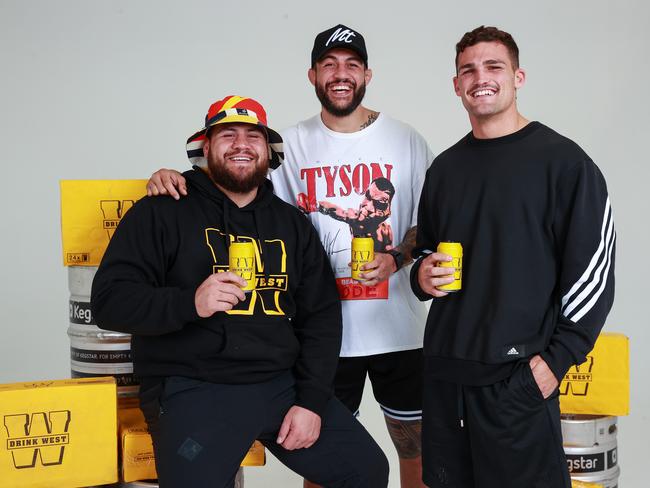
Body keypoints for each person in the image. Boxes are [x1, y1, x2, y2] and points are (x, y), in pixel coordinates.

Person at [147, 24, 433, 488]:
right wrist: (176, 176)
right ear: (313, 75)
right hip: (318, 335)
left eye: (351, 65)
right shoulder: (291, 143)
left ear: (367, 74)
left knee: (417, 448)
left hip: (397, 327)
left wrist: (396, 260)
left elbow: (428, 223)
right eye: (329, 65)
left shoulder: (406, 140)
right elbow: (236, 187)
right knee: (320, 458)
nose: (340, 75)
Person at [91, 95, 389, 488]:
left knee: (365, 470)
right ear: (206, 147)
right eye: (227, 134)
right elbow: (109, 302)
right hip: (193, 387)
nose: (241, 144)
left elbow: (321, 317)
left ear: (268, 151)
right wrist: (189, 302)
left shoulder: (291, 224)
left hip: (279, 385)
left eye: (253, 136)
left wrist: (311, 401)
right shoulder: (161, 211)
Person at [410, 26, 616, 488]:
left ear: (518, 77)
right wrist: (421, 275)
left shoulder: (565, 164)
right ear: (456, 84)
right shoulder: (445, 168)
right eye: (468, 70)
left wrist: (553, 363)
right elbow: (426, 248)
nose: (480, 77)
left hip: (517, 379)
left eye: (493, 66)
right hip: (445, 376)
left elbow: (593, 276)